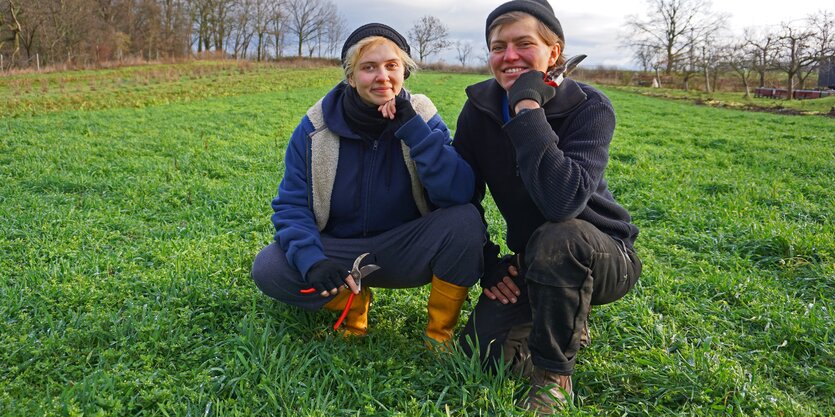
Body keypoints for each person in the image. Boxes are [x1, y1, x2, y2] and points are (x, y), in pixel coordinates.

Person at [453, 0, 642, 412]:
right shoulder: (479, 109)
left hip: (600, 253)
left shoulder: (589, 107)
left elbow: (562, 202)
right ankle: (559, 310)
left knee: (558, 237)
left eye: (524, 43)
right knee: (482, 356)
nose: (509, 56)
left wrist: (527, 107)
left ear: (554, 53)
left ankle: (555, 376)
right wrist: (489, 263)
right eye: (498, 46)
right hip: (531, 259)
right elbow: (461, 197)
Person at [251, 23, 483, 347]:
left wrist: (414, 130)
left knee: (466, 221)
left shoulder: (422, 116)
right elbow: (292, 205)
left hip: (405, 248)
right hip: (341, 250)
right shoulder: (314, 128)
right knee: (270, 267)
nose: (382, 77)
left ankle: (438, 335)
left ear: (404, 72)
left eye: (392, 66)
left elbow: (459, 194)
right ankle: (354, 304)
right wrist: (313, 261)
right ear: (350, 76)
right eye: (369, 67)